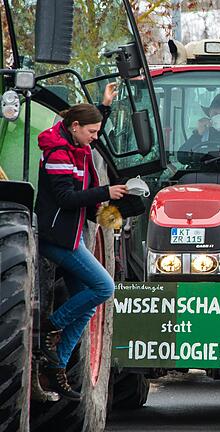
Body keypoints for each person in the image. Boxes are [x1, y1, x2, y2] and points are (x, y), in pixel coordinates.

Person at [35, 83, 127, 401]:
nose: (95, 138)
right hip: (58, 238)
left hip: (70, 236)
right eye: (92, 131)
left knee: (88, 306)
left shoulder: (77, 144)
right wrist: (106, 193)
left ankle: (56, 364)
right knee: (104, 288)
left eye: (97, 131)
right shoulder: (59, 153)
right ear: (75, 128)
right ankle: (50, 327)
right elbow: (65, 197)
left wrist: (104, 107)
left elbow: (89, 122)